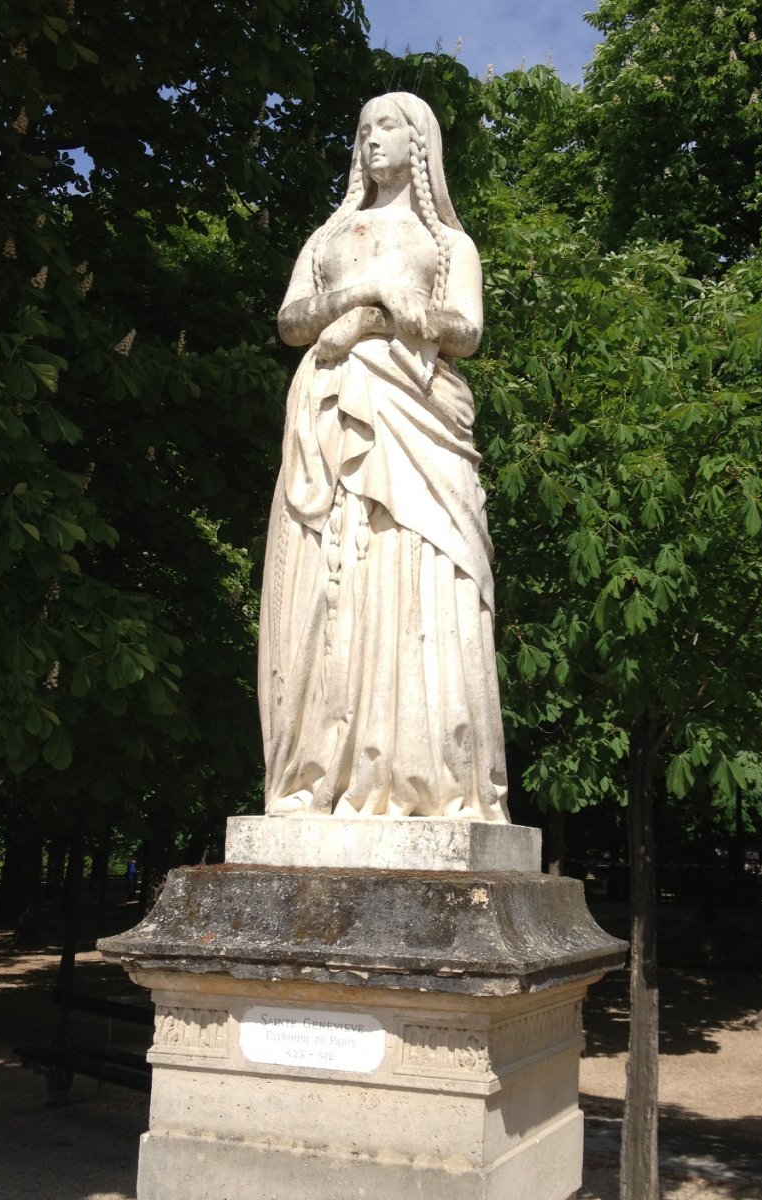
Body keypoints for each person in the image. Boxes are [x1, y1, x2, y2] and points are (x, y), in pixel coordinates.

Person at [258, 92, 509, 822]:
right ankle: (323, 773)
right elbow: (290, 322)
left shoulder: (449, 244)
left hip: (416, 415)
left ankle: (422, 774)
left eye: (387, 128)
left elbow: (463, 331)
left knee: (421, 576)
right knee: (330, 581)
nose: (371, 139)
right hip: (329, 413)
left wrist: (366, 319)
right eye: (362, 128)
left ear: (420, 144)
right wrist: (368, 289)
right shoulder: (328, 235)